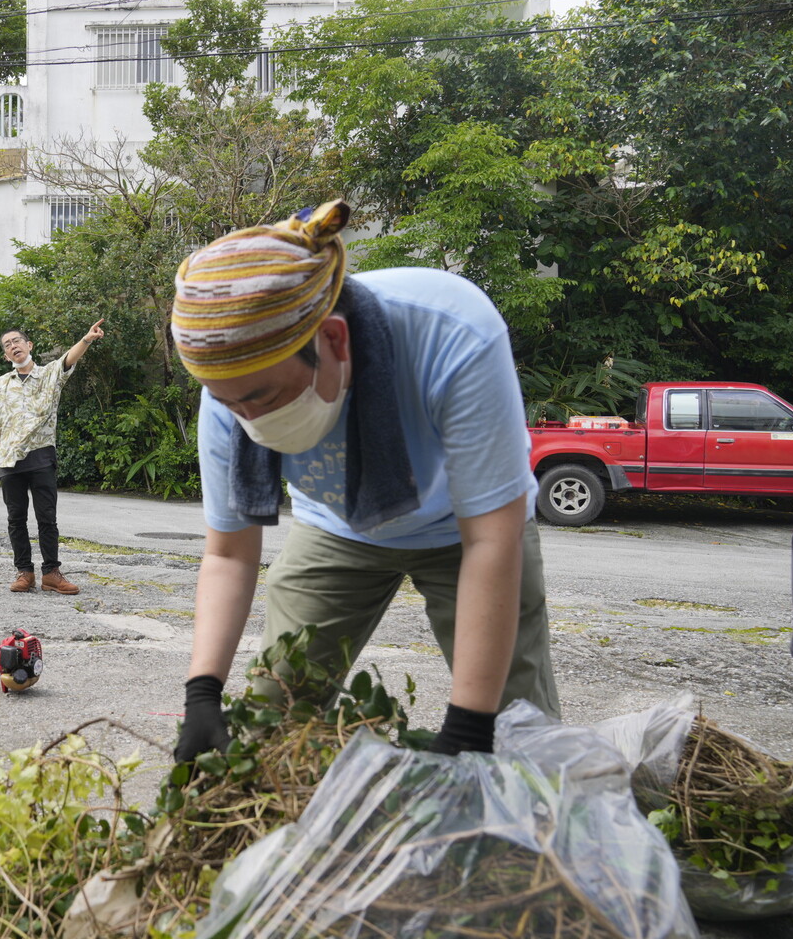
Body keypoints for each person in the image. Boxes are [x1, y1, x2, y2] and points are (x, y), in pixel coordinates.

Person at [170, 200, 559, 761]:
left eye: (264, 397)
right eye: (231, 405)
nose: (249, 421)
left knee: (518, 740)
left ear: (333, 341)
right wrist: (202, 692)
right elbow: (230, 554)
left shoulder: (450, 331)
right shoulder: (229, 388)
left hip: (467, 528)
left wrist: (472, 726)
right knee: (267, 723)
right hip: (338, 526)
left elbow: (491, 541)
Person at [0, 319, 105, 594]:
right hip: (9, 459)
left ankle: (51, 572)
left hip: (41, 456)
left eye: (17, 341)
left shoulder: (50, 374)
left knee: (46, 517)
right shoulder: (1, 384)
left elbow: (68, 358)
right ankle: (24, 572)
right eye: (7, 345)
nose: (13, 346)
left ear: (29, 345)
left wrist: (86, 339)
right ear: (6, 356)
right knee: (16, 518)